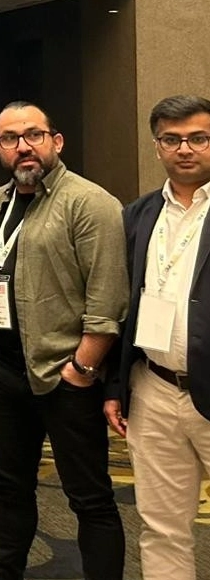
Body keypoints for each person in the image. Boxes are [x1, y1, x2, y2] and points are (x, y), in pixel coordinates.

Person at [0, 101, 126, 580]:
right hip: (4, 371)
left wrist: (81, 369)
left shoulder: (90, 203)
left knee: (89, 497)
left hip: (64, 375)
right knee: (9, 489)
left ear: (55, 141)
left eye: (33, 135)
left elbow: (108, 300)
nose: (23, 147)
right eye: (10, 139)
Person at [106, 94, 210, 580]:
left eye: (198, 138)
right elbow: (120, 305)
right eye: (172, 140)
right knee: (162, 526)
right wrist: (115, 385)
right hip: (154, 387)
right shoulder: (138, 214)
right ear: (157, 147)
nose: (184, 149)